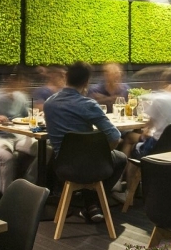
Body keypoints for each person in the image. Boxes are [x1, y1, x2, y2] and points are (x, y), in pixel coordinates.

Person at [43, 62, 127, 223]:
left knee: (87, 159)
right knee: (121, 158)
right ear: (87, 82)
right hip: (89, 166)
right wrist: (104, 152)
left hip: (61, 166)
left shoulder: (49, 103)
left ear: (66, 78)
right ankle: (95, 202)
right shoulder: (88, 105)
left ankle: (91, 205)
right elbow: (115, 136)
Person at [132, 72, 171, 158]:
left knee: (132, 143)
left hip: (157, 148)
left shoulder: (159, 100)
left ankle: (128, 166)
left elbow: (148, 128)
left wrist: (144, 134)